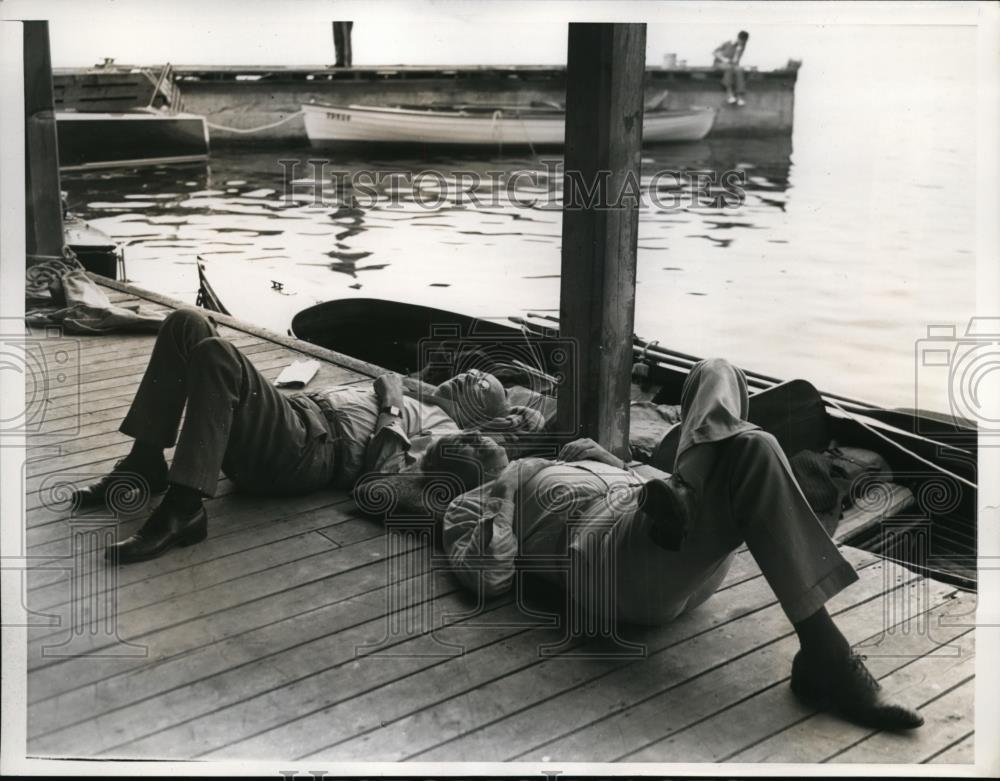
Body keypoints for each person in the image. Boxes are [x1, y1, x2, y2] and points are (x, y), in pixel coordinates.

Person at [439, 358, 924, 731]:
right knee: (755, 449)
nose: (473, 444)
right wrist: (501, 489)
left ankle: (686, 487)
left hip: (661, 547)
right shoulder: (471, 503)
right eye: (459, 445)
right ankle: (829, 659)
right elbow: (490, 573)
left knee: (719, 371)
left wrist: (617, 465)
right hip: (608, 568)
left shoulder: (554, 457)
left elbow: (638, 500)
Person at [72, 308, 540, 564]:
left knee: (217, 350)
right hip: (294, 420)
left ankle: (185, 507)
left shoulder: (446, 432)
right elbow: (381, 387)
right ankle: (146, 462)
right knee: (185, 323)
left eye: (482, 388)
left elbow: (379, 480)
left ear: (477, 417)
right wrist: (393, 389)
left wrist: (393, 402)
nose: (466, 379)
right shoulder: (420, 394)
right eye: (469, 374)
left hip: (305, 451)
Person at [713, 30, 749, 106]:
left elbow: (736, 61)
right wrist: (723, 59)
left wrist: (737, 52)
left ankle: (739, 96)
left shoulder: (742, 46)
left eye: (744, 42)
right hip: (719, 63)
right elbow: (714, 52)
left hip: (732, 65)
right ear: (738, 38)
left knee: (739, 70)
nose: (742, 43)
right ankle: (729, 94)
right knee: (729, 68)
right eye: (741, 41)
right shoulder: (728, 43)